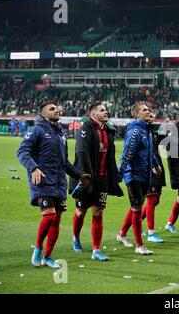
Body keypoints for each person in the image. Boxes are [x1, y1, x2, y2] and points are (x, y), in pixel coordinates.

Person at [17, 101, 90, 268]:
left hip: (59, 183)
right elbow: (22, 152)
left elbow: (64, 162)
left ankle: (47, 257)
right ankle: (38, 249)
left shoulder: (60, 135)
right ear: (43, 114)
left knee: (56, 220)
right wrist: (34, 167)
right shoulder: (36, 130)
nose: (56, 110)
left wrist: (79, 175)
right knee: (49, 216)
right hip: (42, 181)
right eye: (52, 109)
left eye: (57, 108)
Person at [69, 102, 123, 261]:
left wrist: (114, 175)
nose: (105, 112)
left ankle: (96, 250)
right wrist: (87, 177)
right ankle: (75, 238)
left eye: (106, 110)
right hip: (87, 178)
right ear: (93, 115)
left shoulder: (109, 131)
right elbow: (82, 152)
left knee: (98, 211)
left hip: (103, 179)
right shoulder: (85, 129)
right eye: (102, 110)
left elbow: (110, 156)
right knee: (81, 211)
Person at [116, 103, 162, 255]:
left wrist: (155, 165)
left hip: (144, 174)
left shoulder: (146, 129)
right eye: (144, 110)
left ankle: (122, 234)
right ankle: (139, 246)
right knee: (136, 209)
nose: (148, 111)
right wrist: (119, 175)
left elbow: (149, 152)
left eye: (149, 109)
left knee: (137, 207)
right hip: (133, 174)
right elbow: (127, 153)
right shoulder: (136, 131)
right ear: (137, 115)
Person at [140, 111, 167, 243]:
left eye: (152, 115)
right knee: (150, 200)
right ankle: (151, 233)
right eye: (148, 115)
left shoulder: (152, 131)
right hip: (147, 169)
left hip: (157, 167)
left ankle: (135, 222)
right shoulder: (139, 131)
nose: (151, 117)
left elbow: (165, 141)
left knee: (155, 200)